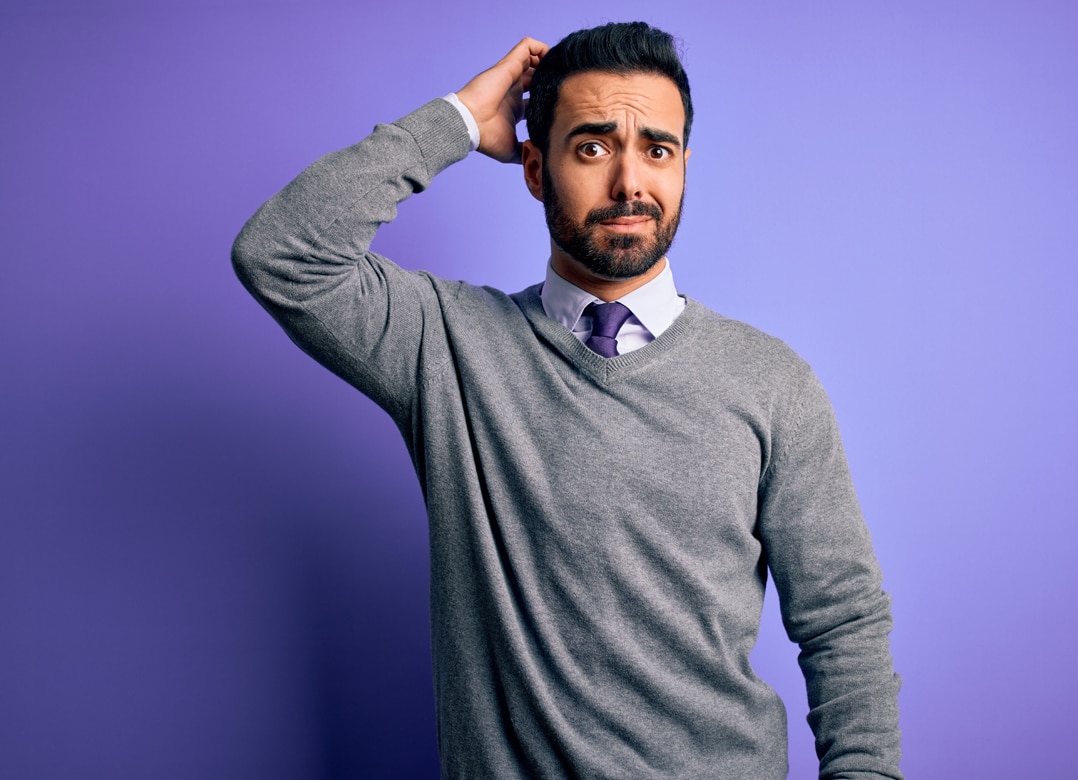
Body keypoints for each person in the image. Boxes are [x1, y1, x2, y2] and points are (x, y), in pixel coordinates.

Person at [233, 21, 902, 780]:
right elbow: (281, 254)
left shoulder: (772, 383)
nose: (629, 184)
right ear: (532, 168)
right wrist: (453, 121)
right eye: (591, 147)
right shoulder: (445, 346)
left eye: (658, 149)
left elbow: (843, 626)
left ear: (684, 165)